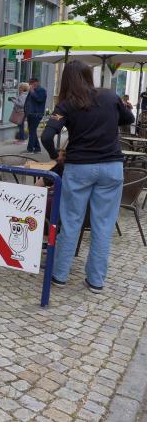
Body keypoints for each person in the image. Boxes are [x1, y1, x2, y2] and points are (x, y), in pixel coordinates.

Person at [41, 60, 134, 293]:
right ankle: (96, 280)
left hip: (79, 168)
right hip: (111, 167)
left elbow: (46, 136)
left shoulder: (67, 104)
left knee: (71, 221)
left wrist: (55, 156)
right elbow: (129, 119)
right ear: (88, 75)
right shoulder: (110, 96)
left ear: (66, 80)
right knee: (103, 224)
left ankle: (59, 275)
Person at [24, 77, 47, 153]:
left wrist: (32, 92)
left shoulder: (41, 90)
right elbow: (28, 102)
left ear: (36, 83)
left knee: (32, 131)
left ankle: (30, 149)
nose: (30, 85)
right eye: (29, 83)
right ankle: (37, 148)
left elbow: (40, 99)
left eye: (31, 83)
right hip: (30, 114)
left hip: (36, 114)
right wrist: (26, 112)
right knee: (32, 131)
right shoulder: (32, 91)